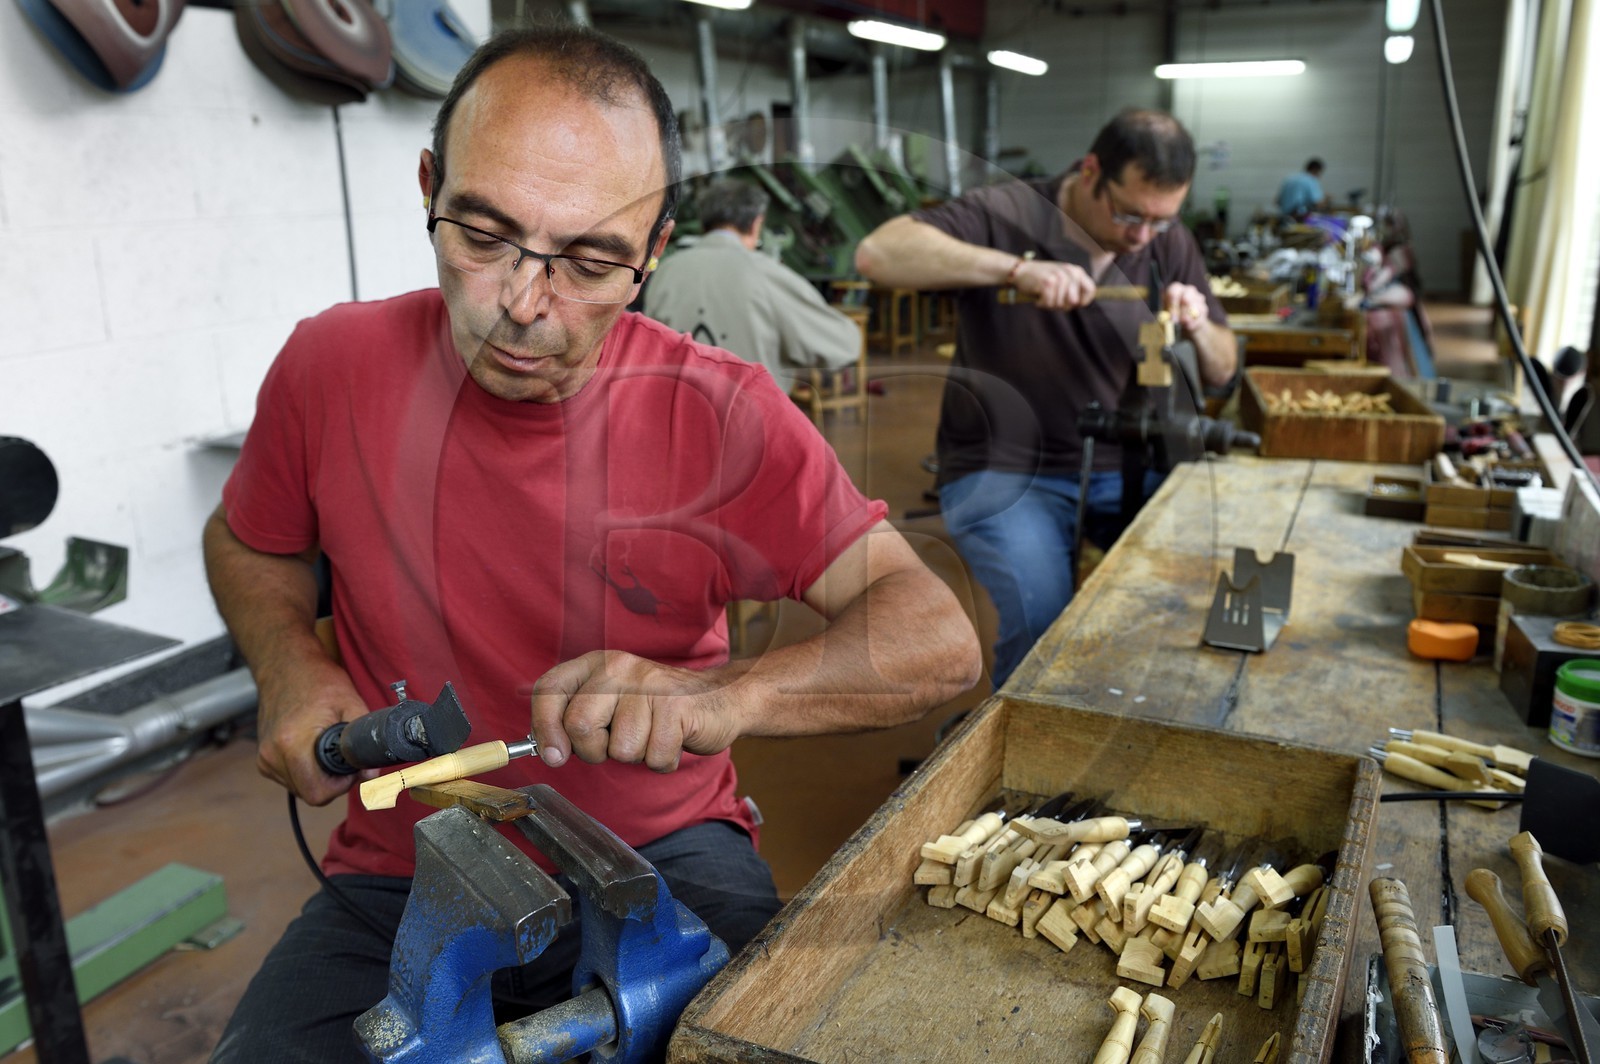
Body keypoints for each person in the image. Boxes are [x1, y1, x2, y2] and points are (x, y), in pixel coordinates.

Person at [203, 24, 980, 1062]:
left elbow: (936, 636)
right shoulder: (329, 365)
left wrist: (724, 695)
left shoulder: (721, 415)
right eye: (482, 236)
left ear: (654, 252)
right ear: (428, 184)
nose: (525, 306)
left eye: (590, 260)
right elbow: (248, 541)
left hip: (663, 850)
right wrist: (291, 662)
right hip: (401, 861)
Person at [855, 108, 1236, 689]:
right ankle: (1018, 761)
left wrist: (1201, 325)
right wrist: (1013, 270)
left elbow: (1224, 368)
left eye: (1159, 222)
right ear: (1090, 172)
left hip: (1130, 467)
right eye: (1130, 214)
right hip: (1005, 470)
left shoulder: (1167, 242)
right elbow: (878, 254)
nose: (1142, 236)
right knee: (1043, 620)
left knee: (1195, 593)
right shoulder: (1008, 213)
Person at [644, 178, 861, 391]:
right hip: (748, 419)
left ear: (703, 222)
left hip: (676, 416)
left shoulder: (666, 270)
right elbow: (842, 346)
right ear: (756, 224)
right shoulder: (767, 274)